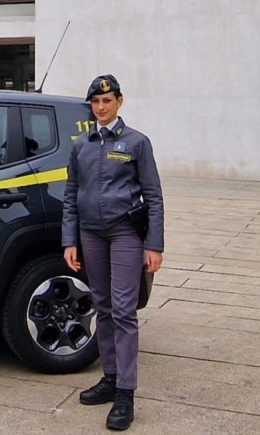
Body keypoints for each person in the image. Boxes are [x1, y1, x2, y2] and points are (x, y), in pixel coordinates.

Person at [62, 74, 164, 431]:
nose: (101, 108)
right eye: (95, 102)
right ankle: (109, 378)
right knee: (102, 307)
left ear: (119, 101)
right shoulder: (81, 145)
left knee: (123, 311)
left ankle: (125, 393)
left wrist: (154, 244)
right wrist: (69, 240)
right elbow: (71, 195)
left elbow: (153, 196)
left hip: (125, 234)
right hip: (91, 234)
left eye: (107, 101)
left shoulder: (137, 143)